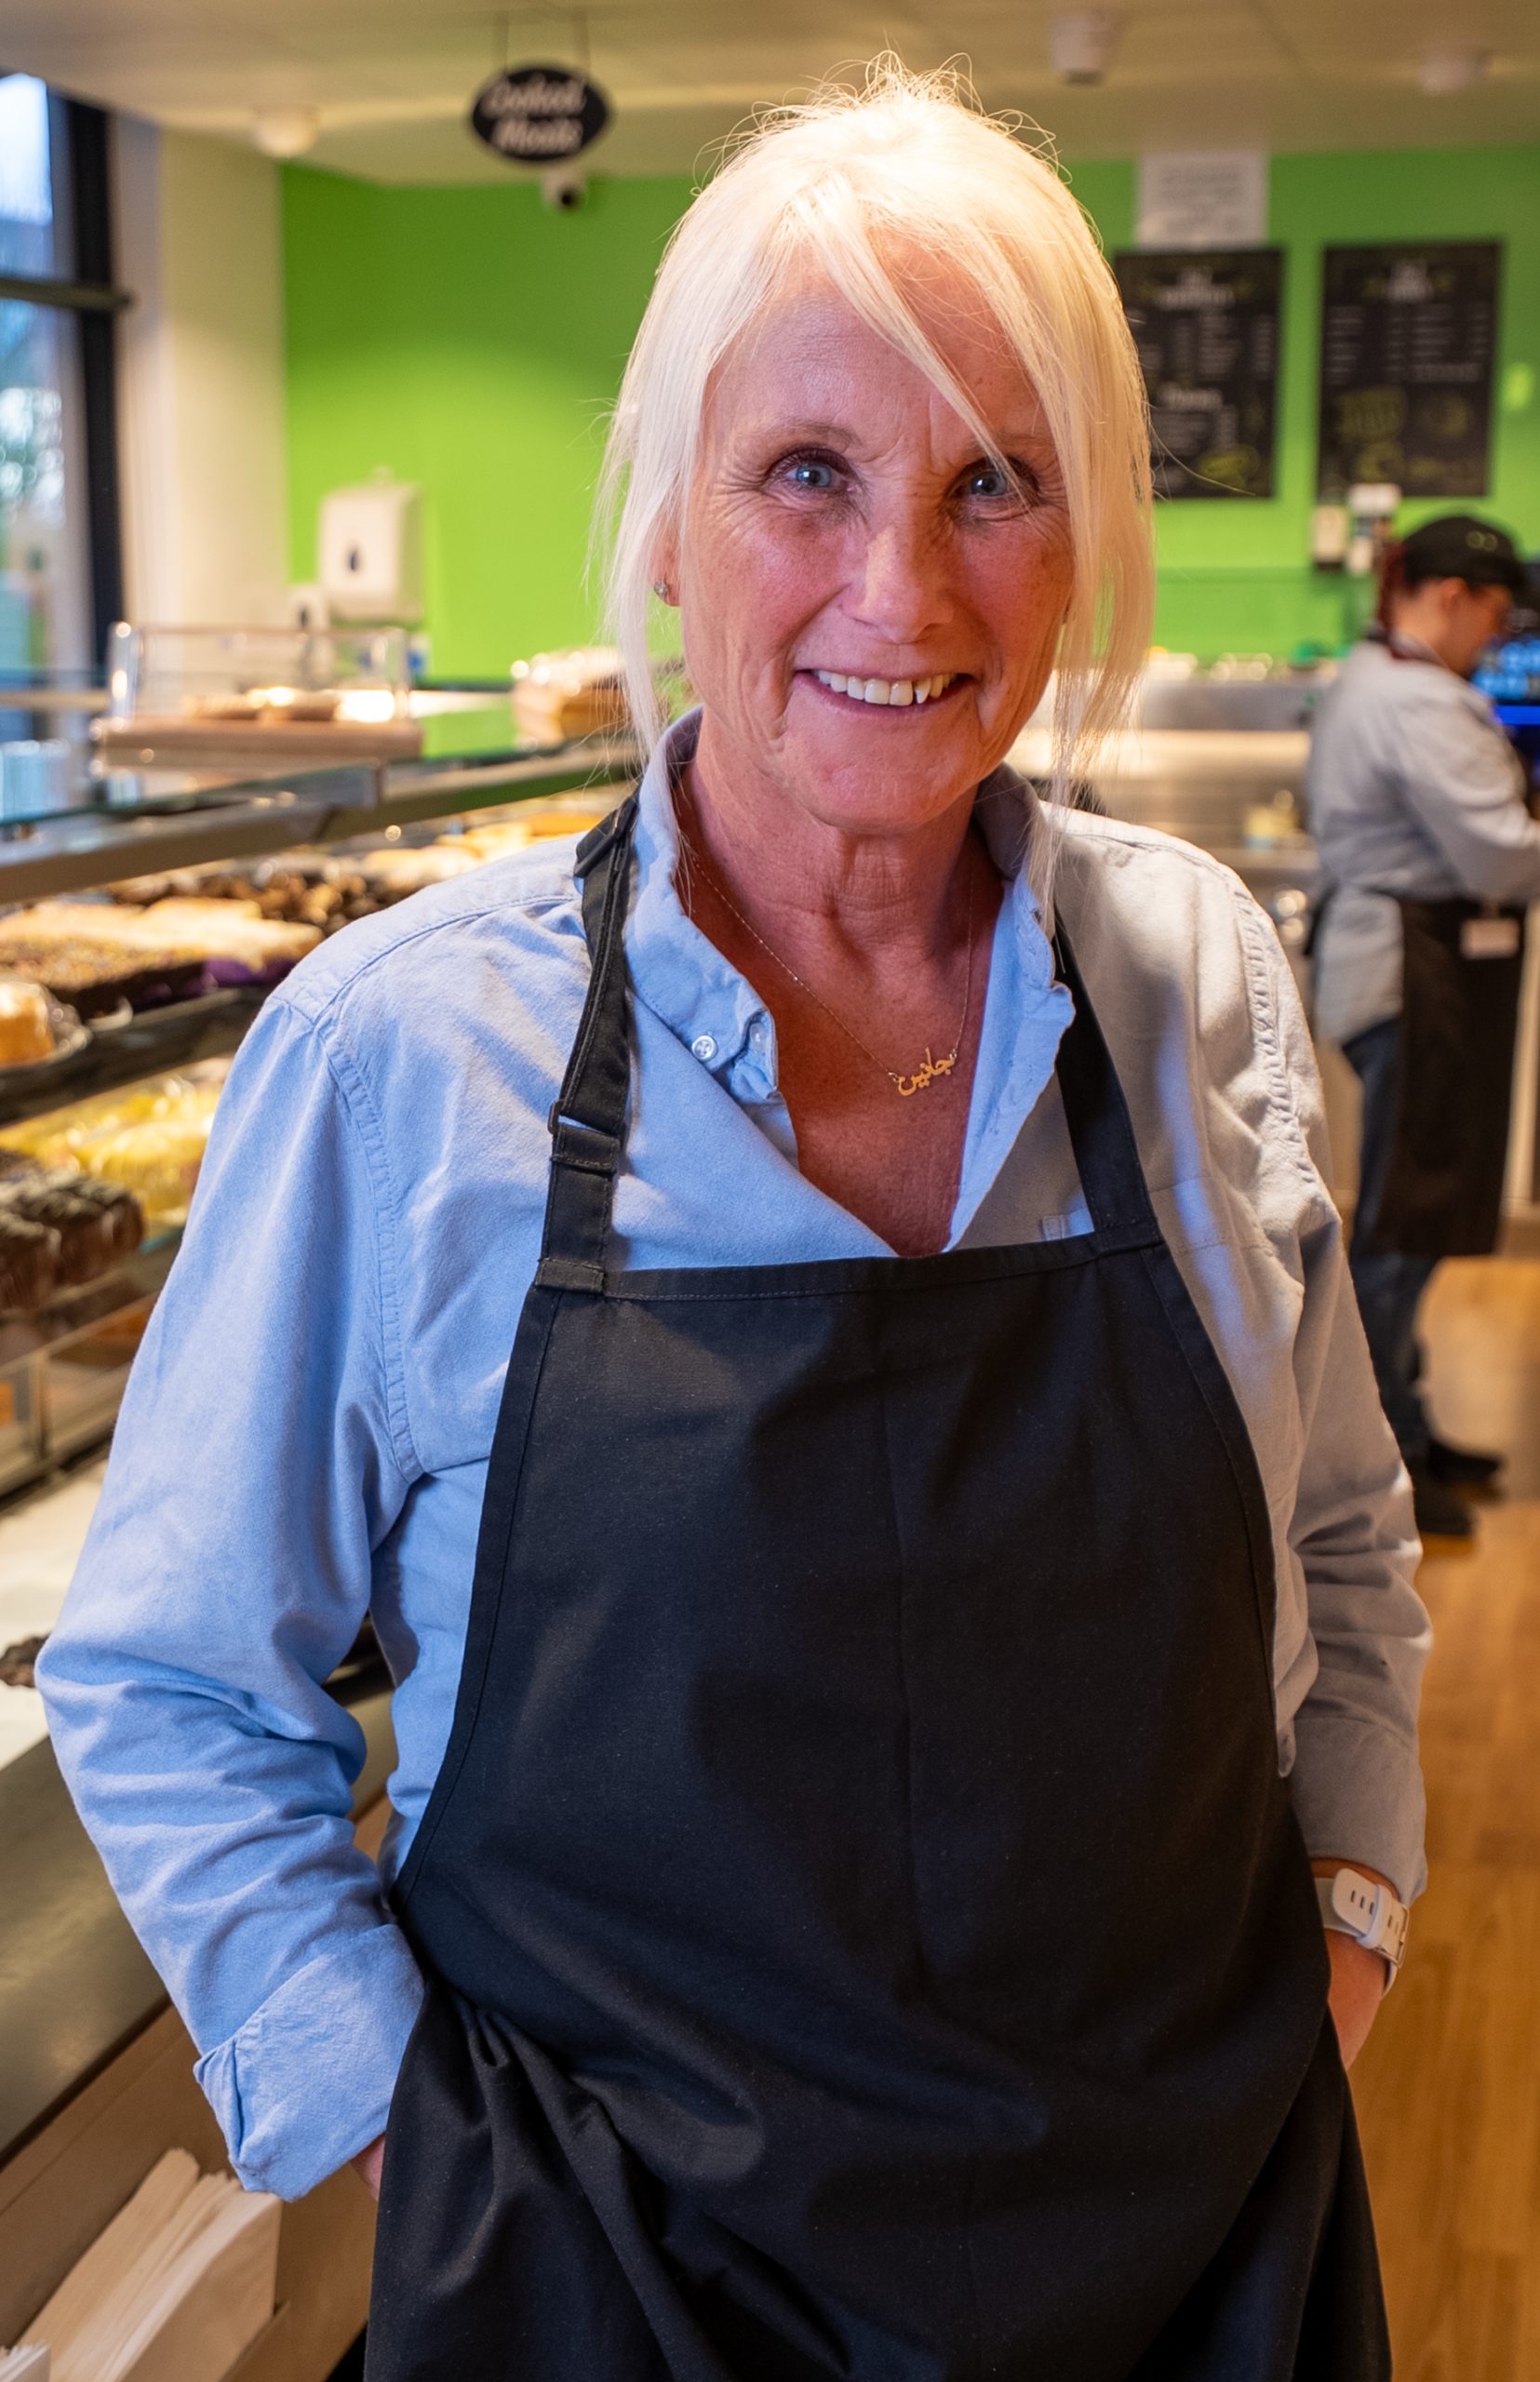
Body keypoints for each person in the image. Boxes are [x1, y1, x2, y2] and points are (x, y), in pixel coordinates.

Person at [40, 64, 1429, 2380]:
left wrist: (1345, 1926)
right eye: (806, 472)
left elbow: (1343, 1539)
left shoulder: (1193, 976)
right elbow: (174, 1678)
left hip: (1199, 2261)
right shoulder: (402, 1055)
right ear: (672, 520)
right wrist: (409, 2146)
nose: (902, 587)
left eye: (995, 481)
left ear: (1082, 533)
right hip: (600, 2298)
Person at [1307, 514, 1540, 1540]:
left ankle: (1403, 1418)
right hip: (1415, 980)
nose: (1497, 636)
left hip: (1407, 973)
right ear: (1450, 597)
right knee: (1404, 1223)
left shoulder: (1374, 676)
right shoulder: (1415, 699)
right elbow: (1498, 855)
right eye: (1495, 614)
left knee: (1411, 1214)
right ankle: (1377, 1457)